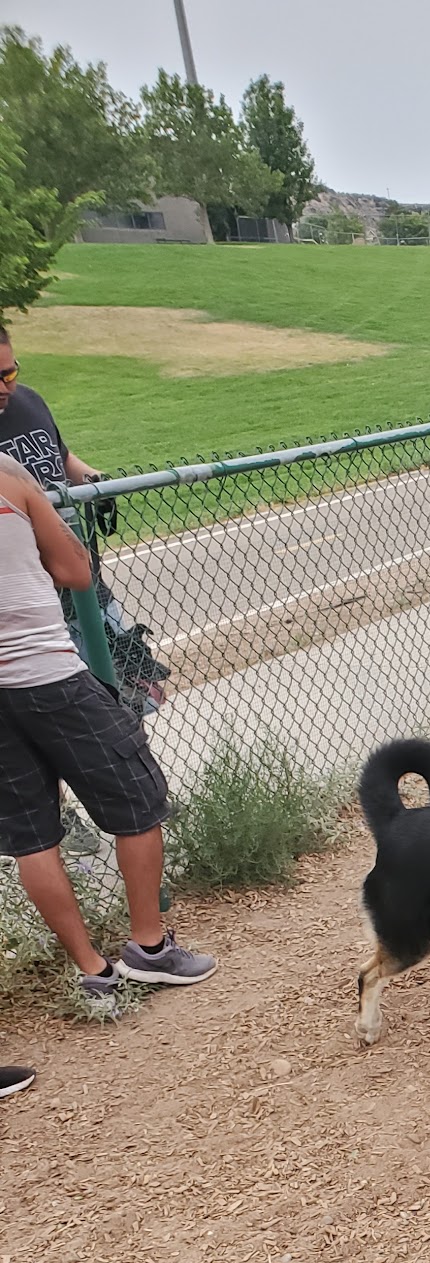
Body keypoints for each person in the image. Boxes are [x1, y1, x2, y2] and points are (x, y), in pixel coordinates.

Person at [0, 451, 216, 1015]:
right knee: (138, 798)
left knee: (33, 835)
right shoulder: (9, 474)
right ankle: (149, 947)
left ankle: (92, 973)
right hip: (48, 673)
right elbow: (77, 571)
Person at [0, 325, 168, 715]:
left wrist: (96, 483)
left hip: (89, 591)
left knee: (133, 701)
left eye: (9, 373)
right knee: (64, 720)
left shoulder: (29, 402)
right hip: (29, 611)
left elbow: (61, 459)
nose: (4, 387)